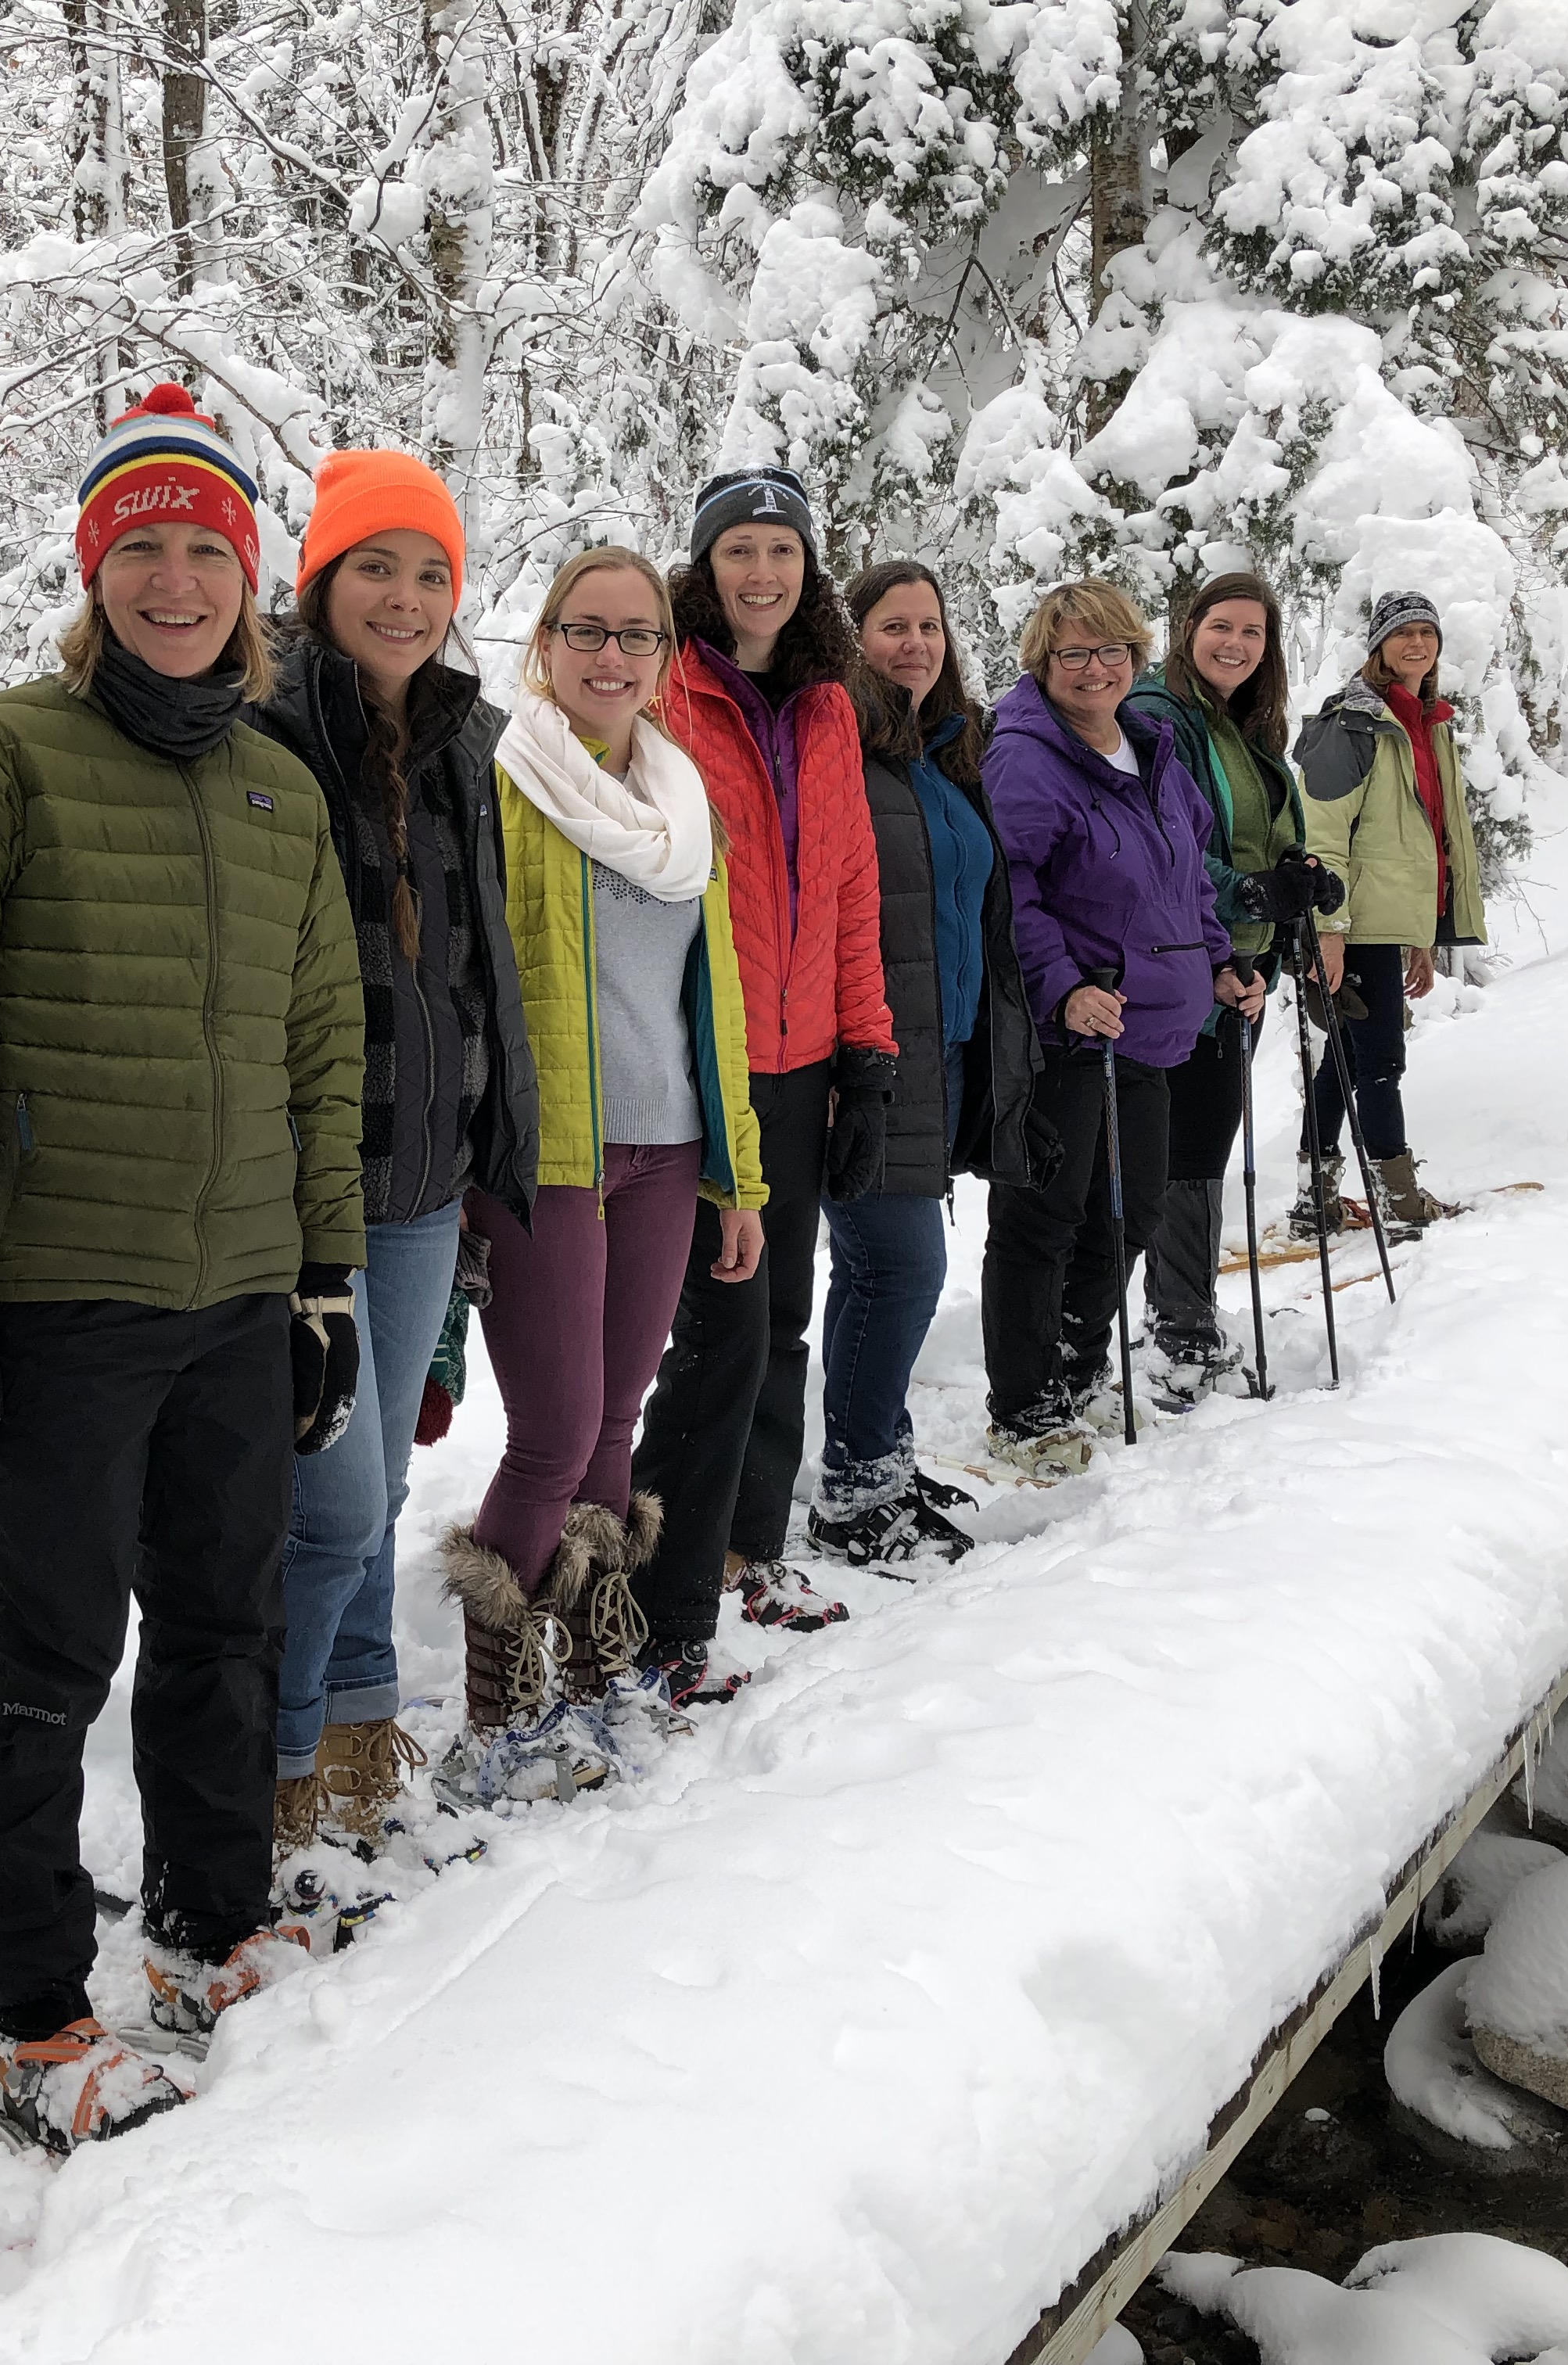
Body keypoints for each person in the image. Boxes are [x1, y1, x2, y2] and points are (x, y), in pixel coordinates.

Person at [0, 384, 365, 2148]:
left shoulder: (276, 790)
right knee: (43, 1654)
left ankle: (207, 1915)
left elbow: (324, 1049)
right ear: (95, 574)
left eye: (207, 553)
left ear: (250, 583)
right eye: (142, 551)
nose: (177, 583)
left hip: (237, 1292)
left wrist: (322, 1277)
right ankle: (27, 2006)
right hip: (62, 1295)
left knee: (224, 1625)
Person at [249, 450, 536, 1854]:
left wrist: (495, 1132)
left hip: (424, 1174)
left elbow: (478, 961)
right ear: (319, 579)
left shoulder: (460, 745)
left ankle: (357, 1738)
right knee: (333, 1496)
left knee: (385, 1486)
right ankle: (275, 1763)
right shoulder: (263, 728)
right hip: (309, 1177)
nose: (406, 596)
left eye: (431, 571)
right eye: (375, 565)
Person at [446, 546, 764, 1778]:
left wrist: (737, 1174)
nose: (612, 656)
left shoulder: (685, 804)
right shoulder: (506, 780)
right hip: (552, 1152)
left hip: (670, 1149)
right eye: (589, 631)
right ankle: (495, 1705)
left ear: (666, 658)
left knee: (616, 1427)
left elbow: (713, 1000)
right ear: (547, 643)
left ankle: (578, 1667)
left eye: (638, 637)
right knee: (552, 1431)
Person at [631, 468, 895, 1684]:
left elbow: (848, 893)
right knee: (715, 1331)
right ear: (706, 565)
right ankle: (654, 1566)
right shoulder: (666, 690)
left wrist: (869, 1050)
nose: (763, 574)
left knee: (780, 1317)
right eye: (740, 551)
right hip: (700, 1063)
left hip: (801, 1062)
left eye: (783, 552)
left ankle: (748, 1546)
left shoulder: (830, 707)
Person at [980, 580, 1266, 1475]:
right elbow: (1012, 891)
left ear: (1137, 657)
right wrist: (1062, 987)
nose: (1096, 669)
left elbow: (1184, 874)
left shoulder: (1152, 747)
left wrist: (1220, 961)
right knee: (1046, 1220)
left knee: (1131, 1210)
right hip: (1072, 1033)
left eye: (1112, 652)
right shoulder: (1025, 757)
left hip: (1150, 1030)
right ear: (1042, 663)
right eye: (1074, 654)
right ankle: (1025, 1407)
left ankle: (1077, 1365)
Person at [808, 559, 1043, 1566]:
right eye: (892, 626)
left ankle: (884, 1461)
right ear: (855, 638)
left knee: (890, 1269)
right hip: (865, 1049)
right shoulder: (840, 749)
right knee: (897, 1268)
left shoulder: (949, 751)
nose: (914, 643)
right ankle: (854, 1489)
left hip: (944, 1045)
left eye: (930, 626)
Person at [1125, 572, 1307, 1392]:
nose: (1235, 644)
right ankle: (1180, 1325)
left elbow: (1253, 834)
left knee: (1203, 1138)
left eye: (1253, 633)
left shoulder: (1241, 726)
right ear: (1188, 627)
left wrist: (1296, 879)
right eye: (1220, 627)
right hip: (1187, 962)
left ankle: (1184, 1309)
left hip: (1242, 963)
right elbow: (1164, 845)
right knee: (1188, 1143)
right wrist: (1242, 899)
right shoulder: (1161, 718)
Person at [1293, 588, 1487, 1240]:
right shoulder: (1356, 721)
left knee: (1344, 1061)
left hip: (1385, 924)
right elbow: (1323, 835)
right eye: (1402, 633)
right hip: (1354, 923)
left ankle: (1314, 1197)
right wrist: (1331, 931)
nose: (1417, 644)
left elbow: (1429, 838)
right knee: (1379, 1063)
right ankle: (1398, 1199)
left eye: (1427, 633)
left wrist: (1424, 937)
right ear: (1378, 646)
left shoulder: (1428, 722)